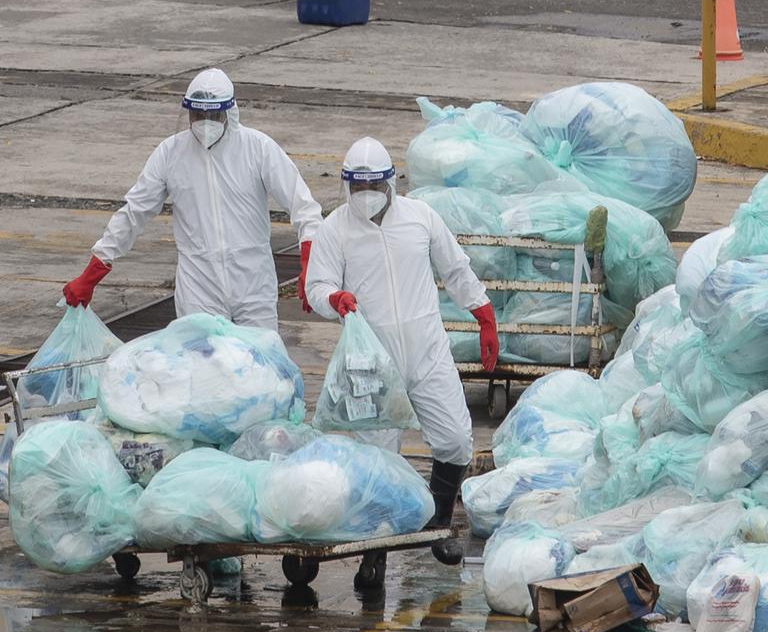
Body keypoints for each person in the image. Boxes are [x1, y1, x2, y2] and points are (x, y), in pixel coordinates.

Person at [306, 137, 499, 529]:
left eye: (374, 187)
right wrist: (334, 298)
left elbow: (455, 268)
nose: (366, 196)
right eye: (358, 188)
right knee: (380, 459)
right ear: (346, 187)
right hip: (372, 365)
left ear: (391, 183)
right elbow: (316, 286)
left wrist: (483, 314)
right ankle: (378, 551)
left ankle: (438, 521)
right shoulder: (335, 230)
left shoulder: (421, 218)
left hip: (427, 352)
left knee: (456, 440)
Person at [62, 68, 323, 331]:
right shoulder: (170, 153)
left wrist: (311, 262)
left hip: (253, 285)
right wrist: (92, 273)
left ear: (229, 113)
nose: (204, 122)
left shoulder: (258, 149)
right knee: (202, 368)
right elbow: (134, 213)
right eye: (198, 114)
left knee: (260, 364)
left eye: (213, 115)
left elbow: (303, 207)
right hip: (199, 287)